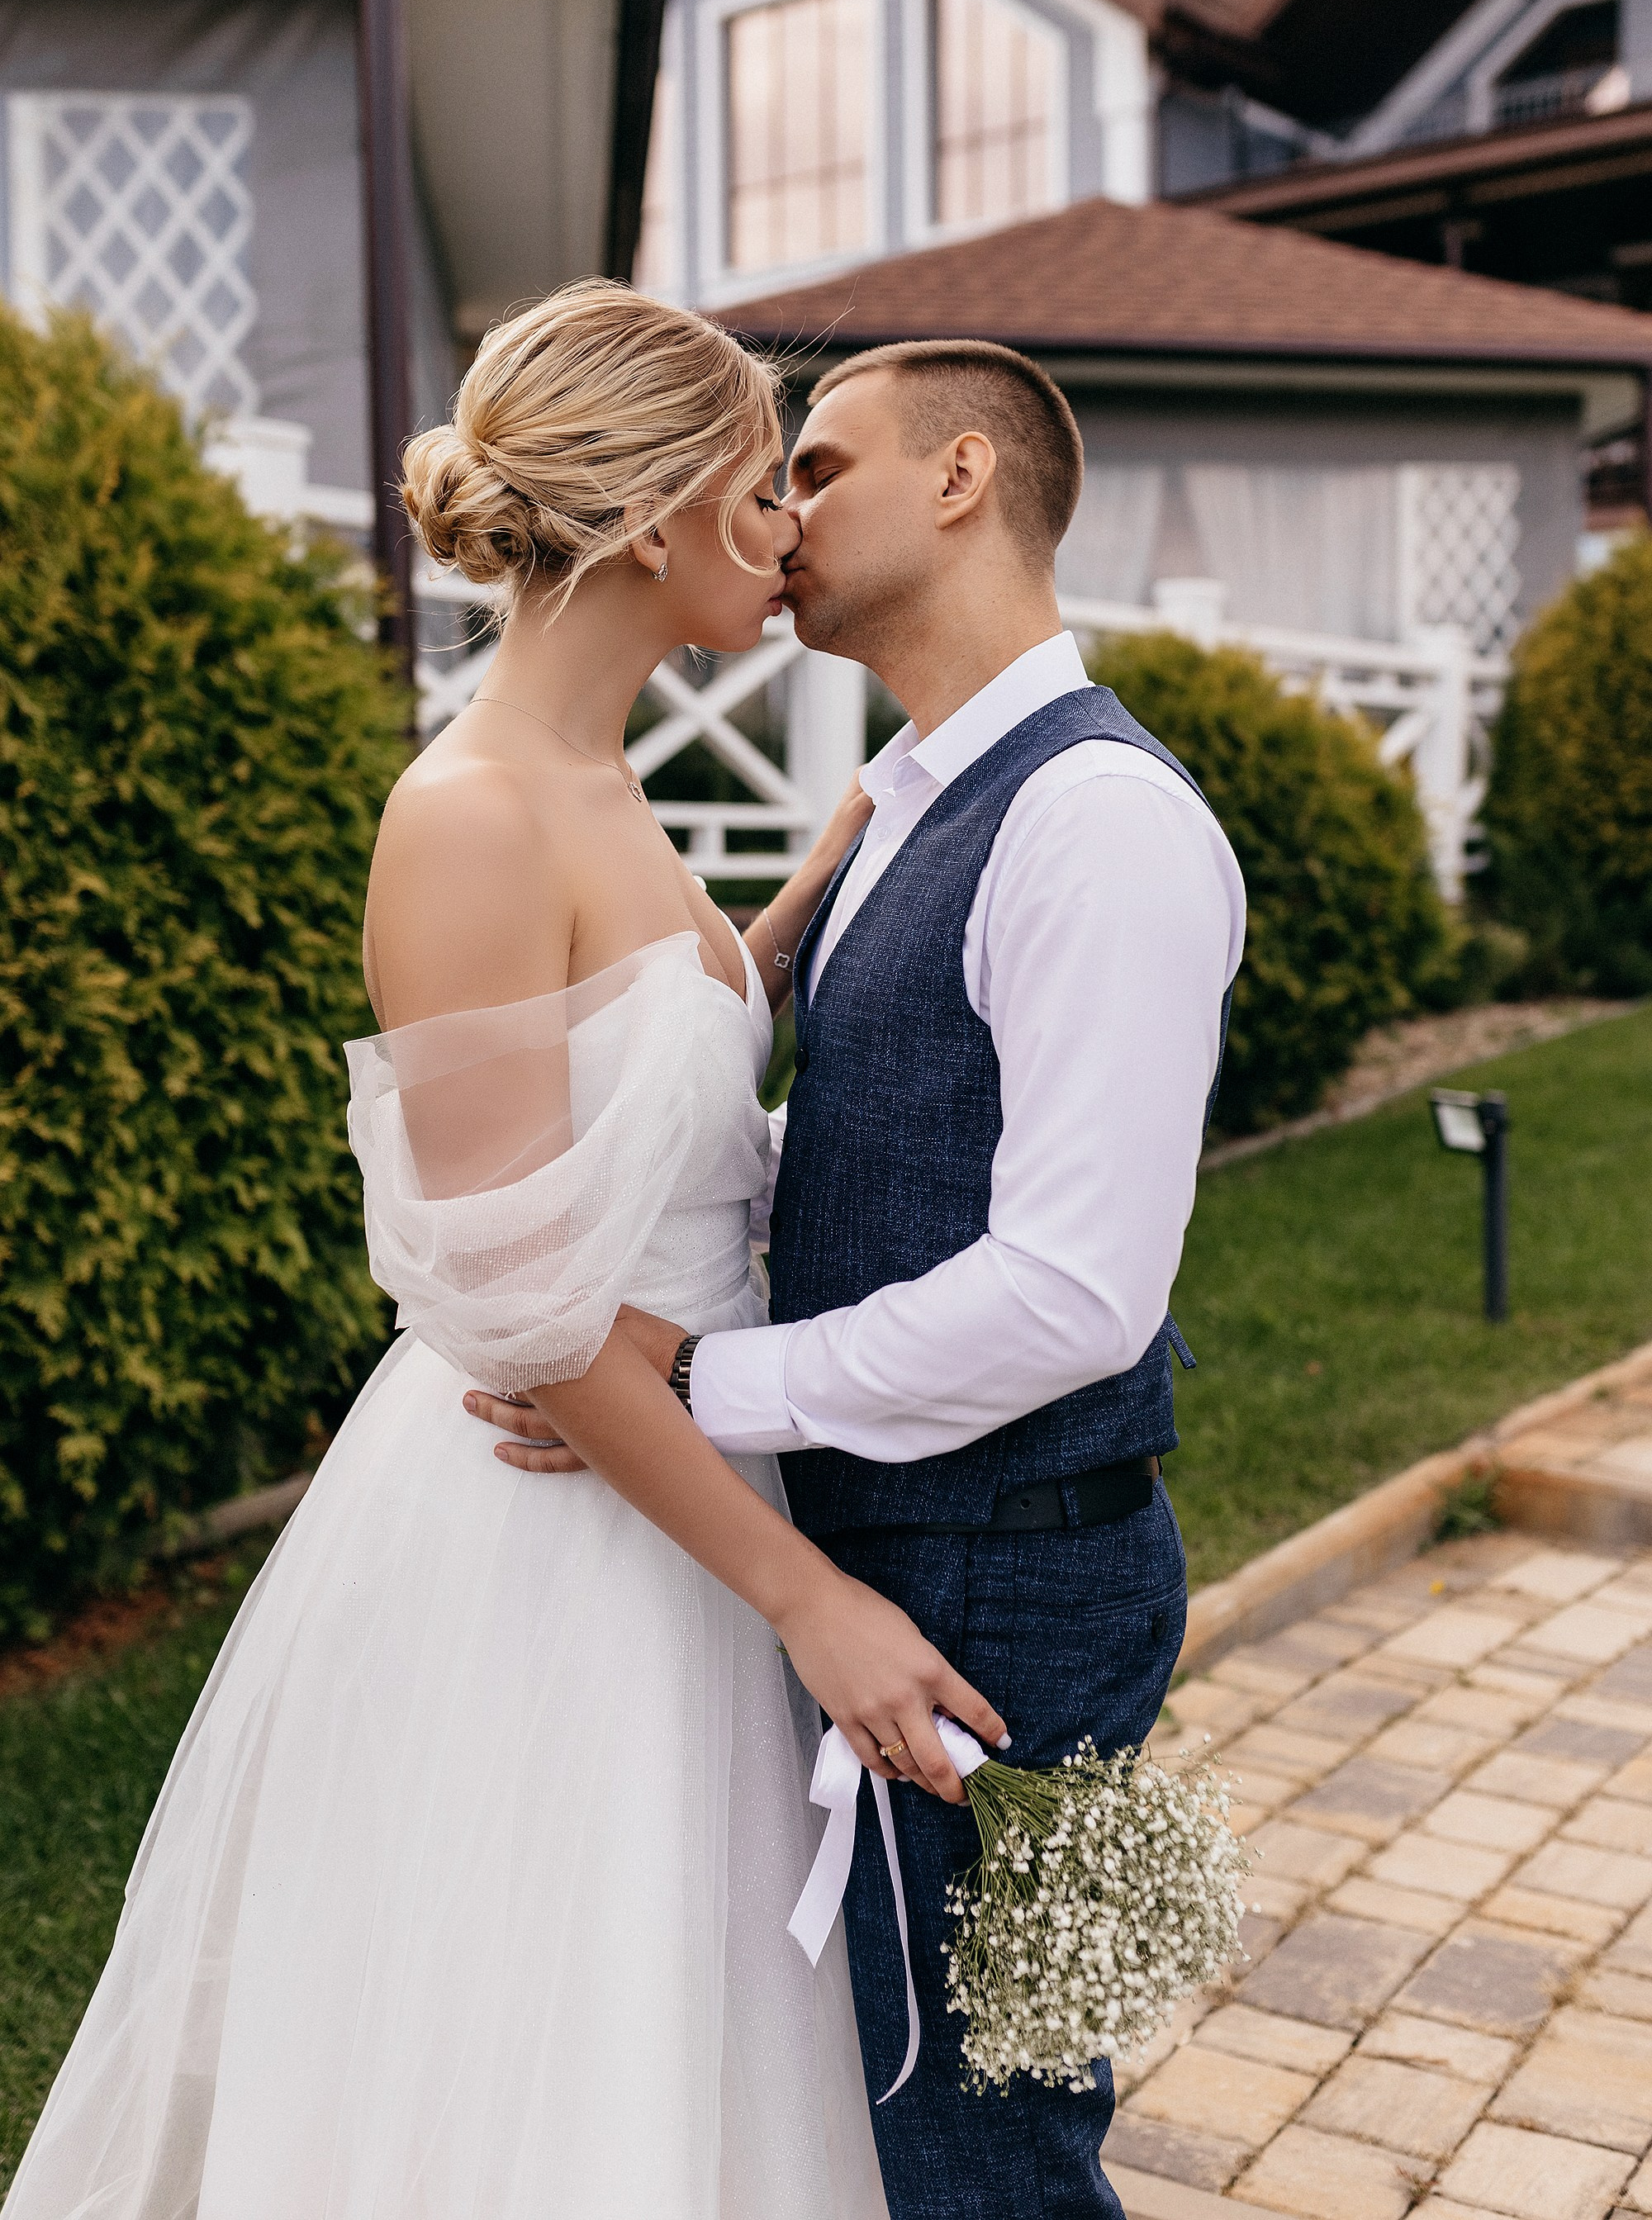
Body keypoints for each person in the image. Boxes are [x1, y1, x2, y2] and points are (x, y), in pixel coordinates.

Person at [5, 285, 1011, 2220]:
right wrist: (807, 1598)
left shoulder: (597, 781)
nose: (787, 529)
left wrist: (822, 882)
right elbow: (518, 1307)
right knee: (523, 2050)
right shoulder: (467, 816)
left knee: (677, 2040)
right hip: (552, 1522)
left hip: (682, 1483)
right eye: (760, 489)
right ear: (649, 519)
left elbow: (656, 1066)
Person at [471, 338, 1246, 2218]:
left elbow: (1073, 1294)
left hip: (1012, 1586)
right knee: (893, 2121)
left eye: (815, 467)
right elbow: (836, 1117)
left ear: (961, 479)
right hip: (909, 1552)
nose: (776, 511)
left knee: (986, 2153)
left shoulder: (1096, 819)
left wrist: (696, 1382)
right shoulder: (914, 800)